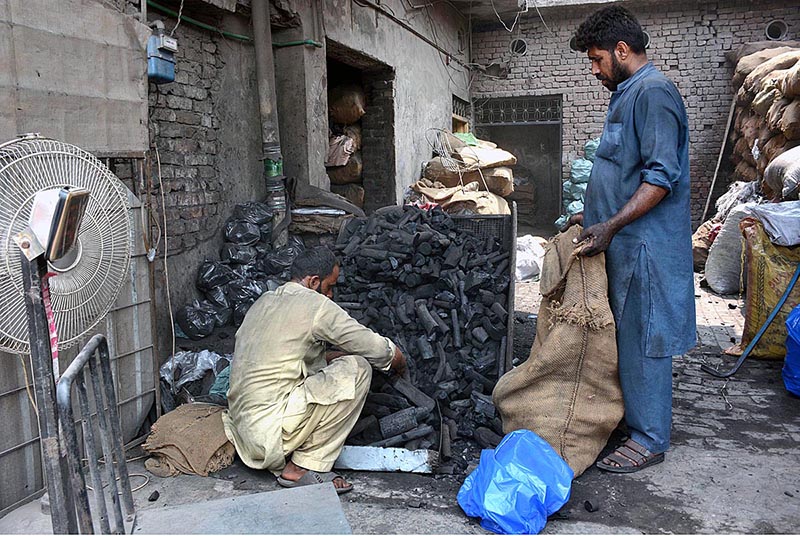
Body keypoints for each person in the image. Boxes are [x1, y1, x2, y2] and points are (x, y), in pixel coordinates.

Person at [568, 5, 696, 473]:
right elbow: (623, 169)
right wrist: (592, 214)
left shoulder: (654, 93)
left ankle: (650, 437)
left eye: (597, 59)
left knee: (645, 339)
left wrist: (612, 224)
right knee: (625, 337)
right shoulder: (626, 93)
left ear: (622, 50)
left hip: (646, 246)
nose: (595, 70)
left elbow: (660, 178)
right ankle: (632, 419)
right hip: (624, 240)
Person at [221, 246, 407, 493]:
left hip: (243, 432)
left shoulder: (264, 301)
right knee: (359, 368)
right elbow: (374, 348)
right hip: (271, 436)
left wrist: (336, 356)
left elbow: (290, 357)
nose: (330, 294)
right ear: (314, 282)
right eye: (330, 287)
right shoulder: (316, 305)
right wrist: (398, 359)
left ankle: (295, 451)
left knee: (338, 361)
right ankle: (302, 467)